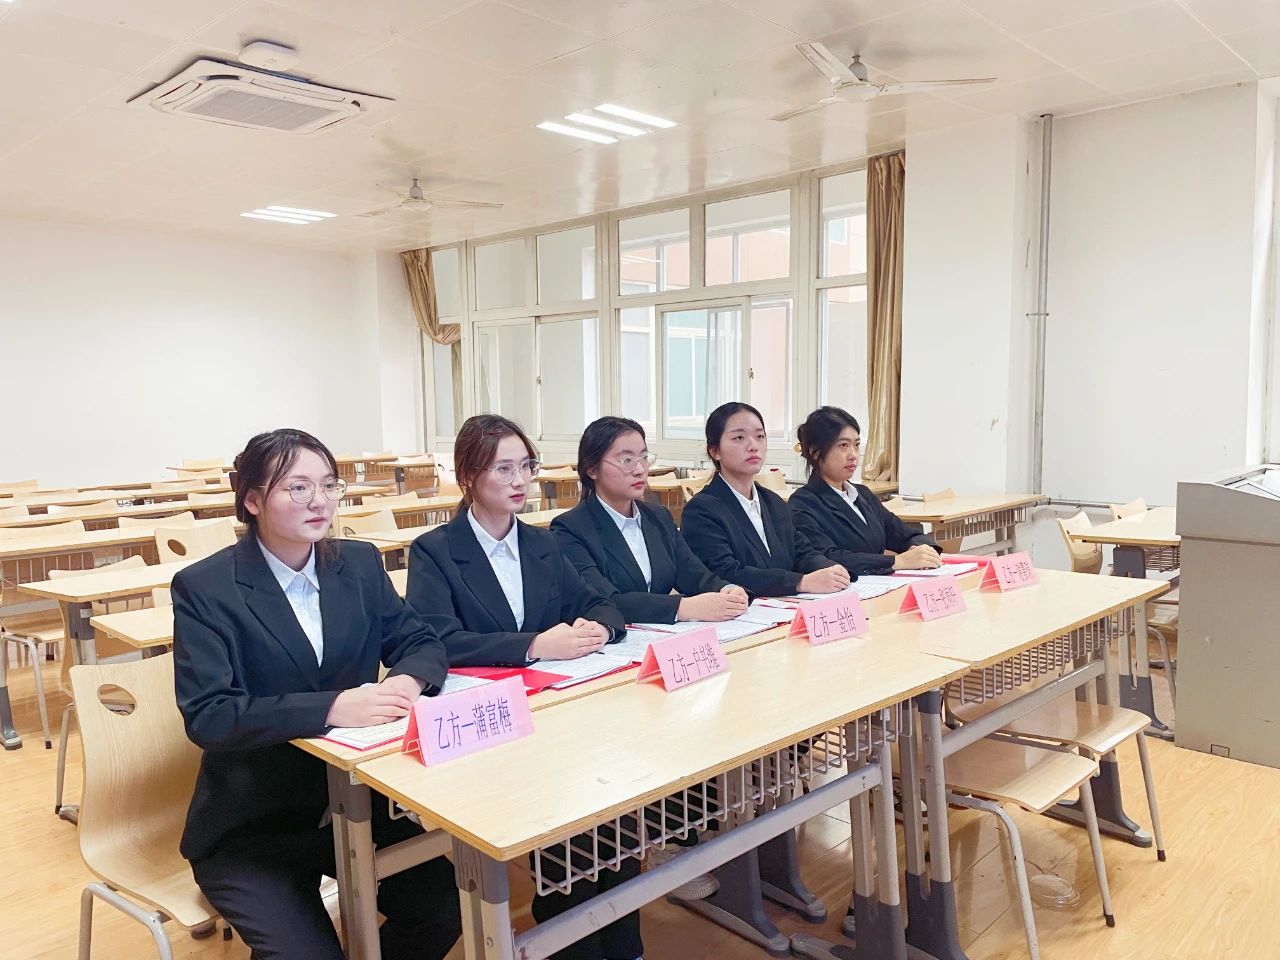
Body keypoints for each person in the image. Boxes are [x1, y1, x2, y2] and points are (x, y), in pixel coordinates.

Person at [172, 428, 461, 960]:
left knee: (445, 907)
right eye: (297, 487)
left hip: (357, 802)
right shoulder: (206, 587)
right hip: (255, 824)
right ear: (252, 500)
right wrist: (332, 708)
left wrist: (406, 681)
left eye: (329, 485)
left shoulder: (358, 564)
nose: (319, 501)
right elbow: (209, 714)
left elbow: (421, 641)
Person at [405, 414, 640, 960]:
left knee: (618, 829)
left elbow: (598, 601)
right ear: (467, 476)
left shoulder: (541, 543)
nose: (520, 481)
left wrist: (599, 628)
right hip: (488, 729)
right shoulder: (435, 550)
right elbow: (437, 640)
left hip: (554, 715)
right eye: (502, 469)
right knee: (573, 838)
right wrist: (534, 644)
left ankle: (623, 947)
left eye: (526, 467)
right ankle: (572, 944)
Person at [551, 415, 749, 625]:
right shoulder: (570, 529)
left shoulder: (658, 517)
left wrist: (727, 590)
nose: (640, 470)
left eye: (644, 458)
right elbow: (602, 601)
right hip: (612, 638)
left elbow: (693, 574)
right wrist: (683, 608)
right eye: (626, 461)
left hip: (661, 634)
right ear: (592, 469)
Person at [682, 401, 850, 597]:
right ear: (715, 451)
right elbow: (726, 573)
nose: (753, 446)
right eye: (739, 437)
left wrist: (831, 569)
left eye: (760, 436)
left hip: (783, 605)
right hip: (742, 610)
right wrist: (800, 582)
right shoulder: (701, 510)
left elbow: (802, 553)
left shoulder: (773, 502)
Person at [789, 406, 941, 575]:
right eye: (843, 445)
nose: (853, 455)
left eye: (856, 445)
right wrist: (897, 561)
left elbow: (904, 534)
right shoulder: (802, 504)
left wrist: (923, 549)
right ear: (815, 452)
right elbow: (827, 557)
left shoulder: (862, 494)